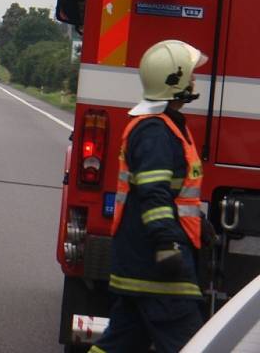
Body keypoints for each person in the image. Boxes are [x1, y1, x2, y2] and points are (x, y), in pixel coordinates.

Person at [89, 40, 212, 353]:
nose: (196, 80)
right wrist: (166, 243)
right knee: (194, 346)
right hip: (158, 269)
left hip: (141, 265)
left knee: (119, 343)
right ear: (176, 80)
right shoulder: (156, 131)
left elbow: (172, 194)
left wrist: (198, 223)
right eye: (191, 74)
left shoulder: (163, 127)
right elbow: (153, 192)